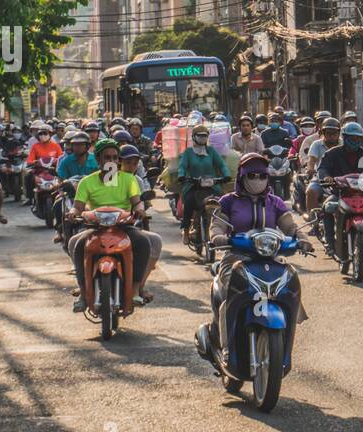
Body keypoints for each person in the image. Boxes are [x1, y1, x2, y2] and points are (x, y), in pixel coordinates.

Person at [204, 153, 312, 349]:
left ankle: (284, 337)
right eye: (252, 175)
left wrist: (302, 240)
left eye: (262, 176)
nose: (257, 180)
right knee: (231, 292)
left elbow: (290, 227)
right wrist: (218, 237)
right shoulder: (229, 201)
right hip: (236, 256)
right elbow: (217, 225)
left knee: (289, 283)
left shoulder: (275, 202)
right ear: (242, 176)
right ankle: (226, 346)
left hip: (270, 257)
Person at [66, 139, 162, 311]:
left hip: (124, 225)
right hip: (95, 227)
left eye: (115, 157)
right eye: (106, 157)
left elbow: (137, 202)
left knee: (143, 242)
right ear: (98, 159)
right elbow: (78, 207)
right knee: (76, 242)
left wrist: (139, 209)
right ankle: (83, 292)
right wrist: (73, 213)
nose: (111, 161)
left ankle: (135, 291)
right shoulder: (87, 182)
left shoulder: (128, 180)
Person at [314, 121, 363, 253]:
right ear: (344, 138)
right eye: (351, 138)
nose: (354, 141)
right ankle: (330, 242)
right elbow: (322, 169)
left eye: (357, 138)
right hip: (340, 193)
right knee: (327, 207)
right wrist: (327, 177)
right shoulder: (332, 153)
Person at [176, 122, 230, 236]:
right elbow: (182, 166)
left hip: (211, 185)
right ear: (193, 137)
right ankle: (186, 230)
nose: (202, 138)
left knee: (222, 202)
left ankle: (224, 228)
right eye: (199, 135)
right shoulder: (188, 152)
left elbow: (221, 165)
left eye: (205, 135)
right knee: (189, 202)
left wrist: (226, 175)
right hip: (192, 185)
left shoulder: (211, 151)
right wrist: (181, 176)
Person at [24, 125, 64, 204]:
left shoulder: (56, 146)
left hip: (53, 170)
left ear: (50, 134)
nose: (43, 135)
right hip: (39, 170)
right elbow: (29, 160)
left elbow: (61, 158)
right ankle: (30, 197)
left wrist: (56, 161)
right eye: (41, 134)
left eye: (45, 133)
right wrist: (34, 162)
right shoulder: (35, 146)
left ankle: (63, 195)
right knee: (28, 176)